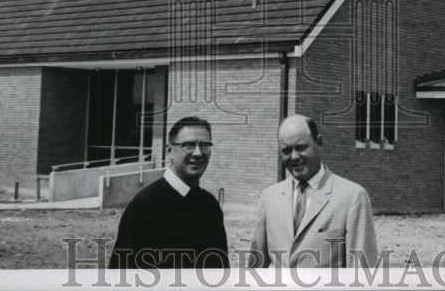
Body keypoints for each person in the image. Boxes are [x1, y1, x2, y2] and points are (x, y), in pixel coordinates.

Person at [249, 114, 379, 268]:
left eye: (301, 147)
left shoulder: (352, 197)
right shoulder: (269, 197)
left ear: (319, 142)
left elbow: (362, 274)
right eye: (286, 151)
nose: (294, 157)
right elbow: (254, 270)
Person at [108, 116, 228, 269]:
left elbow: (221, 272)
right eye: (189, 145)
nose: (198, 153)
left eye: (205, 145)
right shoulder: (144, 206)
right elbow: (121, 276)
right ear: (169, 150)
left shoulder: (210, 205)